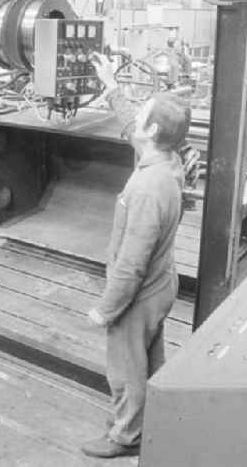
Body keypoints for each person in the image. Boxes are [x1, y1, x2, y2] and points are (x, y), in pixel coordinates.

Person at [80, 53, 189, 459]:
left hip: (139, 293)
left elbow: (131, 263)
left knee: (125, 367)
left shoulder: (147, 188)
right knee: (148, 358)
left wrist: (106, 310)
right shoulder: (165, 159)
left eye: (144, 112)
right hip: (162, 285)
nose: (137, 117)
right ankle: (147, 418)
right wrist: (110, 85)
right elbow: (132, 125)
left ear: (154, 129)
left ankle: (127, 436)